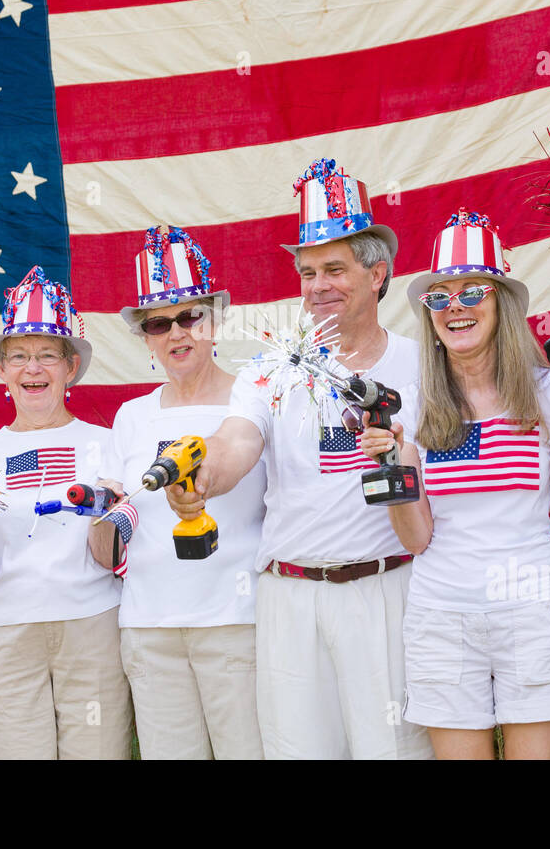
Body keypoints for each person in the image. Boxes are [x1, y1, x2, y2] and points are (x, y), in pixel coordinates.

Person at [166, 158, 433, 759]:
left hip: (386, 585)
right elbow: (239, 439)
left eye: (335, 269)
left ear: (377, 274)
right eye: (307, 271)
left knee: (397, 750)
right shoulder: (270, 370)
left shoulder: (422, 364)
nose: (318, 286)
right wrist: (203, 479)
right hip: (290, 593)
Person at [360, 211, 550, 759]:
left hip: (540, 607)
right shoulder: (411, 402)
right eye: (439, 296)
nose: (455, 307)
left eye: (472, 291)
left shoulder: (549, 393)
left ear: (501, 302)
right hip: (441, 614)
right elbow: (416, 539)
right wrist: (393, 464)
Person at [0, 267, 132, 759]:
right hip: (4, 634)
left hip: (91, 624)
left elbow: (118, 555)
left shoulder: (108, 445)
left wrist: (110, 518)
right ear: (2, 369)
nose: (33, 369)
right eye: (19, 357)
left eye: (47, 356)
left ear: (70, 367)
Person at [99, 226, 265, 759]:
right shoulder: (131, 415)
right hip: (150, 627)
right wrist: (100, 513)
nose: (178, 333)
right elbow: (119, 521)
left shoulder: (255, 398)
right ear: (146, 337)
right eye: (159, 323)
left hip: (237, 623)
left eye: (191, 316)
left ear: (215, 320)